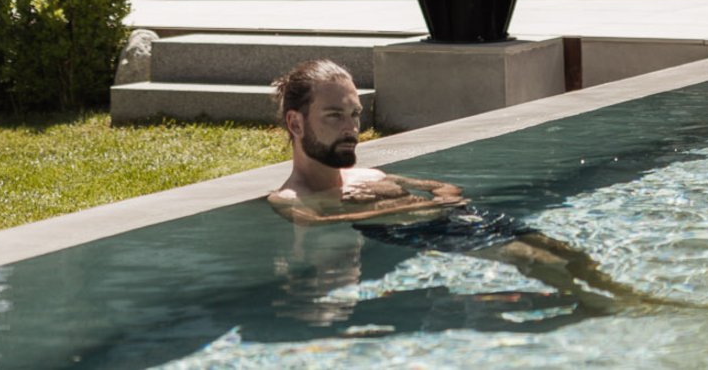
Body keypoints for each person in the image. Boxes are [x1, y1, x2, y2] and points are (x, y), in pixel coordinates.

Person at [264, 60, 669, 314]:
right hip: (425, 228)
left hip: (457, 217)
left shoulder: (368, 174)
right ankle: (602, 308)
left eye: (355, 114)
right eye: (335, 116)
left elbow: (444, 188)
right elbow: (311, 222)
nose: (353, 128)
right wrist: (407, 211)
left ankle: (628, 297)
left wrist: (440, 196)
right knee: (539, 261)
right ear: (296, 123)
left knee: (568, 253)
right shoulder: (290, 196)